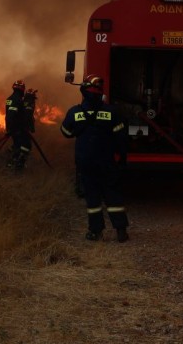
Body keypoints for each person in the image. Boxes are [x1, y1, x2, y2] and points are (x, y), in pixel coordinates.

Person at [60, 75, 131, 242]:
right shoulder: (111, 112)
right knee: (112, 195)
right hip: (107, 161)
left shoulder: (74, 112)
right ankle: (121, 231)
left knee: (92, 198)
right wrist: (122, 157)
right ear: (100, 94)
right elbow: (121, 137)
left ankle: (95, 232)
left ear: (83, 93)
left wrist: (81, 131)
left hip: (85, 162)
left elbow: (66, 132)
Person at [5, 80, 36, 170]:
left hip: (13, 128)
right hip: (18, 128)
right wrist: (12, 129)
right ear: (22, 90)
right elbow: (12, 115)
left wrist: (9, 128)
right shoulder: (17, 100)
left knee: (17, 144)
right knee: (25, 145)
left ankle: (13, 162)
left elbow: (10, 115)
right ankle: (17, 165)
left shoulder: (10, 99)